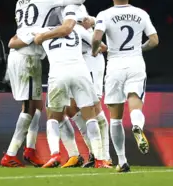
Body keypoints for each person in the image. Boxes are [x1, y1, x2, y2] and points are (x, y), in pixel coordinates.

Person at [0, 0, 85, 168]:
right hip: (27, 58)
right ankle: (11, 154)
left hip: (22, 55)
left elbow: (29, 27)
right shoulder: (46, 0)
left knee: (37, 107)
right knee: (29, 108)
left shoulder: (21, 0)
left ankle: (29, 150)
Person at [36, 0, 111, 168]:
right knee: (69, 109)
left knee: (94, 109)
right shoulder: (55, 6)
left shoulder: (74, 5)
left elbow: (86, 30)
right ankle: (82, 154)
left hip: (88, 59)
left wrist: (96, 37)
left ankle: (105, 156)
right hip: (71, 60)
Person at [13, 24, 109, 169]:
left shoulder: (40, 30)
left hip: (58, 74)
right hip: (80, 72)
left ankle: (55, 155)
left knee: (53, 117)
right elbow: (102, 46)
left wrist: (39, 39)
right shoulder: (76, 28)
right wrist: (90, 51)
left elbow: (13, 43)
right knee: (90, 116)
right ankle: (100, 159)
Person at [92, 0, 160, 173]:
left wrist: (95, 50)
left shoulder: (104, 14)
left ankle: (122, 161)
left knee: (115, 117)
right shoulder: (140, 13)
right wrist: (140, 48)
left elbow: (97, 37)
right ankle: (137, 125)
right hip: (135, 62)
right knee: (134, 100)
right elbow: (154, 40)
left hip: (114, 65)